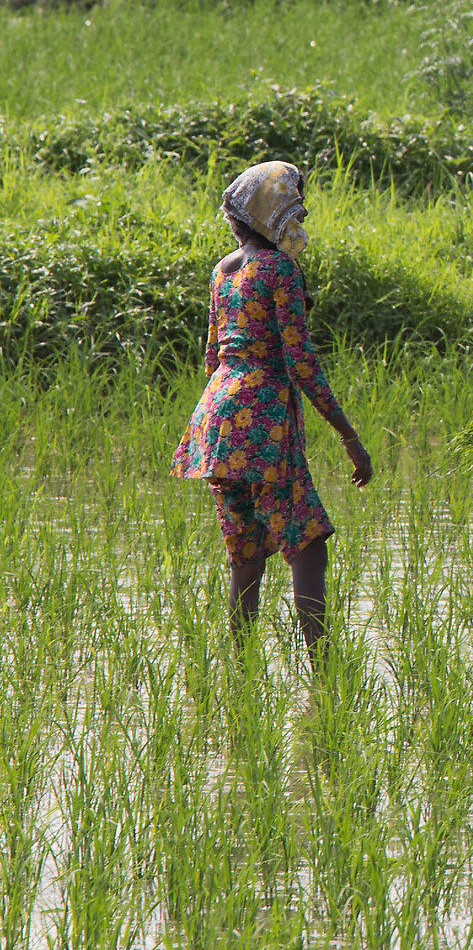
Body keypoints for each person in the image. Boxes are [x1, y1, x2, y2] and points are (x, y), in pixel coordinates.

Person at [172, 161, 374, 652]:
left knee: (246, 553)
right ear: (276, 213)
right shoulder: (280, 269)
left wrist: (234, 403)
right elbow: (300, 360)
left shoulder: (223, 270)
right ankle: (322, 669)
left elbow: (212, 355)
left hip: (217, 419)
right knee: (307, 544)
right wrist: (349, 436)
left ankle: (240, 670)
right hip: (261, 420)